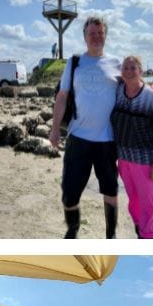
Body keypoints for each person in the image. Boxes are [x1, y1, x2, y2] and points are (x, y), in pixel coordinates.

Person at [49, 16, 123, 239]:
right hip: (78, 137)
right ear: (84, 37)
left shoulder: (116, 64)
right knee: (69, 195)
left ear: (105, 36)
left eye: (100, 33)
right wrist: (54, 129)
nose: (96, 37)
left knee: (111, 191)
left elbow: (134, 88)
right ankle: (72, 230)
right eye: (92, 33)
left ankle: (111, 236)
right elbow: (62, 96)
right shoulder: (74, 62)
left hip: (107, 140)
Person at [111, 54, 153, 239]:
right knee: (134, 201)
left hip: (146, 161)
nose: (129, 71)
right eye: (125, 68)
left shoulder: (151, 96)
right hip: (124, 159)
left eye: (133, 68)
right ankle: (139, 229)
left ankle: (147, 236)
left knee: (149, 204)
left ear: (140, 71)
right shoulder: (118, 90)